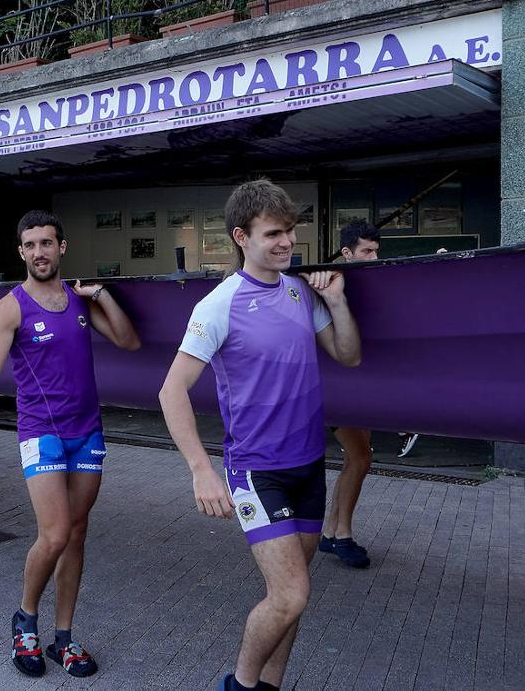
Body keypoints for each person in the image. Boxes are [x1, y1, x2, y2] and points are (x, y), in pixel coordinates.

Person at [159, 179, 362, 691]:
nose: (286, 243)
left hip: (308, 465)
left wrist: (336, 302)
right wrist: (202, 472)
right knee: (290, 595)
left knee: (295, 593)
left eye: (290, 232)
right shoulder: (218, 304)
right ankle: (241, 685)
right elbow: (171, 392)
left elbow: (348, 355)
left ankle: (269, 685)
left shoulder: (299, 292)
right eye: (273, 233)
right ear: (240, 237)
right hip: (256, 470)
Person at [0, 210, 139, 679]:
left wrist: (99, 293)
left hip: (88, 433)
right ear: (21, 252)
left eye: (47, 243)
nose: (39, 252)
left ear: (62, 247)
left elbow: (128, 340)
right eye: (31, 245)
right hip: (41, 433)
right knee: (56, 534)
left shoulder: (79, 301)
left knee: (77, 533)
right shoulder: (12, 306)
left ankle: (63, 636)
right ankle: (25, 620)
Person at [317, 217, 378, 569]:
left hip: (358, 386)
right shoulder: (329, 281)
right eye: (366, 251)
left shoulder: (366, 280)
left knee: (355, 458)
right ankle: (342, 535)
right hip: (337, 388)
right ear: (346, 252)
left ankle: (329, 532)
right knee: (361, 458)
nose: (373, 258)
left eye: (376, 251)